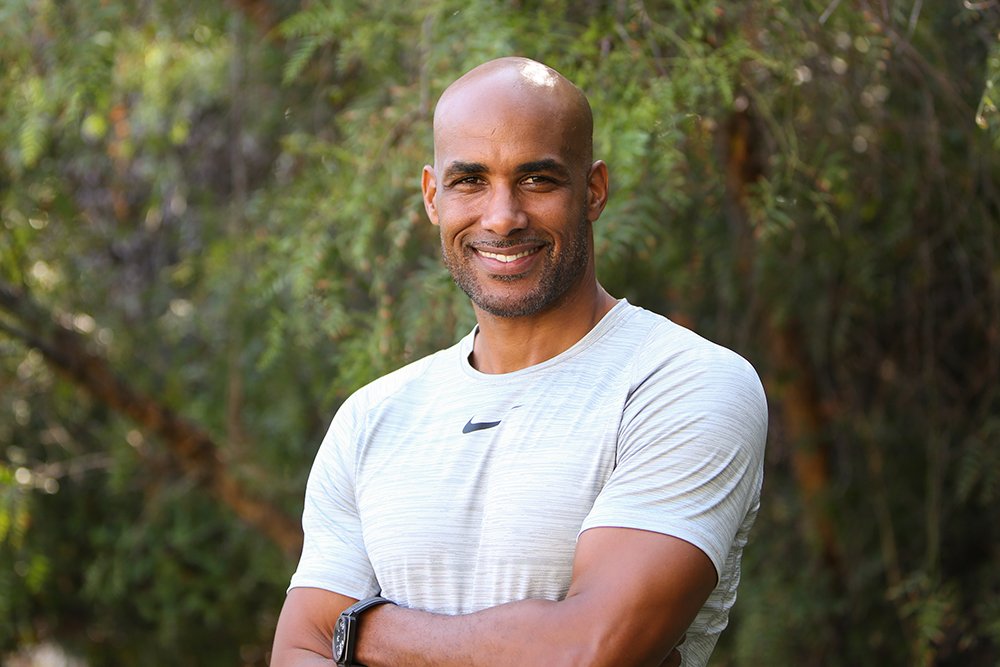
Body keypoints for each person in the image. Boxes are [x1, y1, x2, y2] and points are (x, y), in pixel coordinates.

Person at [271, 56, 767, 667]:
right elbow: (297, 649)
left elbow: (587, 650)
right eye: (470, 181)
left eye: (537, 179)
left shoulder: (685, 384)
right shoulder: (372, 418)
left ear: (593, 191)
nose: (502, 217)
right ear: (433, 197)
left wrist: (357, 632)